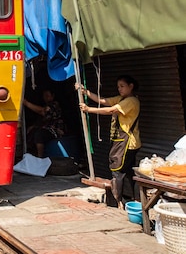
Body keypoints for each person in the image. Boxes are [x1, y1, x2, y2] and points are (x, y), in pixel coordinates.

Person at [76, 75, 140, 209]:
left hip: (128, 143)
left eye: (122, 86)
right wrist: (85, 91)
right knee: (126, 172)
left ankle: (120, 202)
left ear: (131, 86)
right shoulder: (121, 99)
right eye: (118, 87)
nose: (119, 89)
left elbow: (111, 110)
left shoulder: (131, 101)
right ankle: (131, 200)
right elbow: (103, 101)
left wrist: (89, 109)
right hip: (121, 142)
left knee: (118, 172)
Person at [23, 89, 66, 158]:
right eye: (44, 96)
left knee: (39, 134)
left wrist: (26, 103)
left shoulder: (54, 105)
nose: (45, 97)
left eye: (47, 95)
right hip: (47, 129)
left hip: (56, 131)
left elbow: (42, 111)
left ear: (53, 96)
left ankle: (40, 157)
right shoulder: (45, 105)